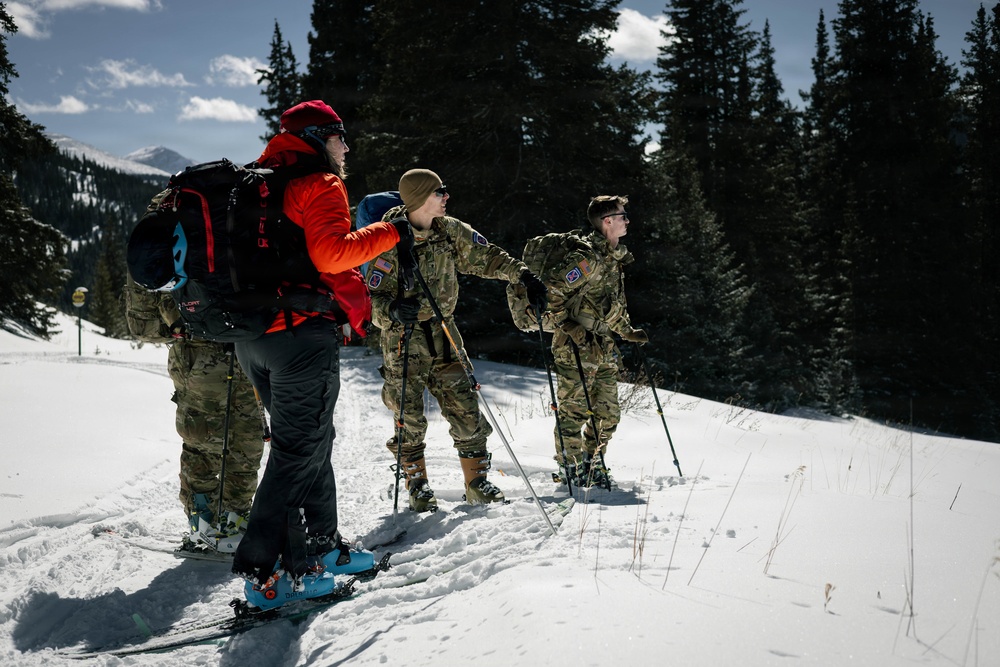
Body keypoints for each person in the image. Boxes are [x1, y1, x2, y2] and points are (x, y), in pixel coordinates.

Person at [230, 100, 414, 603]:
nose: (346, 147)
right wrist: (393, 231)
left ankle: (322, 547)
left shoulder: (254, 180)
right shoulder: (320, 181)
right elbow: (332, 254)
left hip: (252, 337)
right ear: (317, 137)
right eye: (339, 137)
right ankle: (268, 574)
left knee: (310, 442)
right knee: (297, 452)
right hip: (299, 336)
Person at [365, 168, 547, 512]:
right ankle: (417, 486)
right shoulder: (385, 240)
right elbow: (370, 303)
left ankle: (477, 483)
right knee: (410, 416)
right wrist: (392, 309)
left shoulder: (450, 231)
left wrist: (524, 275)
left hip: (445, 333)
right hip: (404, 341)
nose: (446, 197)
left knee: (466, 408)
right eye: (439, 192)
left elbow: (488, 256)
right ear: (419, 198)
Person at [122, 276, 265, 553]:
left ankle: (209, 523)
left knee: (228, 445)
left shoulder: (179, 242)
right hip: (238, 352)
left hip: (217, 357)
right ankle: (225, 522)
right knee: (231, 446)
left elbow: (147, 322)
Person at [546, 195, 647, 488]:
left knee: (608, 414)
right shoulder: (587, 257)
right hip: (575, 347)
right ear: (607, 221)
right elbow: (552, 290)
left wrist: (626, 331)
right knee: (573, 410)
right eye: (622, 215)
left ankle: (593, 464)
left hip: (603, 347)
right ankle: (570, 468)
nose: (627, 220)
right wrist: (567, 326)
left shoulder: (613, 258)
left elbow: (606, 304)